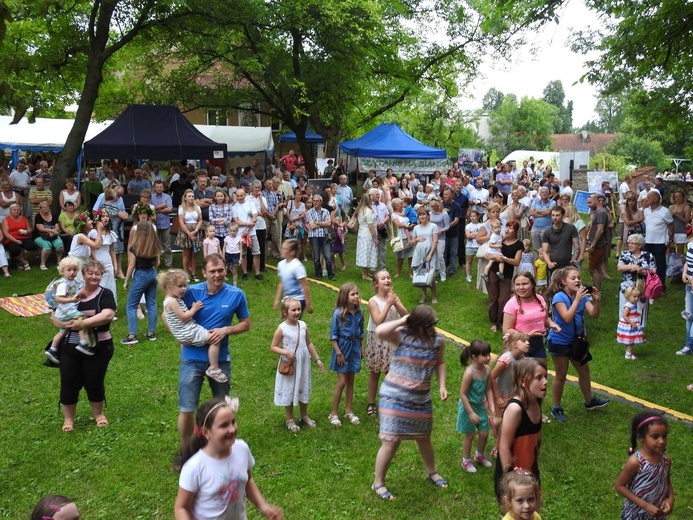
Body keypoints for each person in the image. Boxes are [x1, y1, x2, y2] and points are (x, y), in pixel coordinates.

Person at [173, 254, 250, 468]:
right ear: (204, 272)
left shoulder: (236, 294)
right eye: (212, 271)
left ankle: (223, 447)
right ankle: (187, 452)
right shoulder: (190, 293)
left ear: (225, 270)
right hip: (191, 358)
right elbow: (168, 311)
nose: (217, 275)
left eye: (221, 270)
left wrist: (227, 329)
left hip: (220, 360)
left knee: (223, 406)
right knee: (187, 408)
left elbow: (246, 324)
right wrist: (178, 336)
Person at [372, 306, 449, 500]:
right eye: (429, 324)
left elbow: (440, 363)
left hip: (420, 398)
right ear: (417, 325)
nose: (433, 327)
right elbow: (380, 331)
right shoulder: (401, 335)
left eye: (435, 323)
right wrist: (402, 320)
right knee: (391, 441)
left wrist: (442, 385)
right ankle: (378, 482)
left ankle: (432, 472)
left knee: (424, 437)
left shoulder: (438, 341)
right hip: (394, 397)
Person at [174, 397, 284, 520]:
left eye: (233, 422)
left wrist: (264, 507)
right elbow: (181, 508)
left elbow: (248, 481)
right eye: (224, 425)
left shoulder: (241, 448)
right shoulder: (195, 467)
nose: (232, 429)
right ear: (206, 432)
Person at [51, 260, 116, 432]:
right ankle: (69, 419)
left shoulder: (105, 294)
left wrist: (83, 324)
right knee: (69, 382)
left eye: (98, 273)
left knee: (94, 380)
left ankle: (99, 415)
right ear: (83, 274)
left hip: (99, 347)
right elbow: (55, 312)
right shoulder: (72, 291)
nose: (94, 276)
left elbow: (107, 315)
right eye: (90, 273)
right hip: (70, 346)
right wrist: (60, 322)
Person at [545, 267, 609, 422]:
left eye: (579, 278)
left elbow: (594, 314)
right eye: (573, 278)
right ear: (564, 281)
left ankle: (589, 401)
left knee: (584, 371)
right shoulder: (559, 297)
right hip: (559, 341)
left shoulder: (582, 297)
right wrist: (578, 300)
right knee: (561, 375)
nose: (577, 280)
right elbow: (566, 317)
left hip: (576, 341)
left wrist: (596, 301)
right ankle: (556, 407)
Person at [494, 358, 547, 503]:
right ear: (523, 382)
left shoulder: (536, 402)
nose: (545, 382)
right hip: (514, 479)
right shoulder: (515, 408)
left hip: (530, 474)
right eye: (539, 378)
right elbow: (504, 446)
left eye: (545, 376)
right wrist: (510, 480)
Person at [161, 269, 228, 383]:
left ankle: (187, 357)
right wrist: (194, 309)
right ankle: (214, 368)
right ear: (169, 287)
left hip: (183, 333)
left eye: (185, 285)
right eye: (180, 286)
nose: (184, 289)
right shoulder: (172, 302)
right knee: (215, 338)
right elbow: (184, 317)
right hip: (188, 331)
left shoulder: (169, 300)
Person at [271, 297, 324, 432]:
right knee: (289, 389)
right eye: (293, 310)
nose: (297, 312)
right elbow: (273, 346)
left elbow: (309, 343)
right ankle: (290, 419)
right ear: (285, 312)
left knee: (303, 387)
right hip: (290, 364)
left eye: (299, 309)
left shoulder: (303, 325)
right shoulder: (282, 328)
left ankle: (304, 415)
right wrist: (286, 352)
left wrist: (317, 359)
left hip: (303, 363)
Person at [615, 412, 673, 519]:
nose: (661, 441)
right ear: (641, 437)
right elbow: (619, 486)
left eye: (664, 436)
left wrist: (670, 499)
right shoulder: (636, 462)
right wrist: (645, 505)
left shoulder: (666, 460)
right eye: (655, 437)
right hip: (635, 515)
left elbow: (667, 481)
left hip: (657, 514)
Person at [366, 270, 407, 417]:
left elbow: (404, 314)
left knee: (393, 373)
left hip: (393, 339)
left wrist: (395, 302)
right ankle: (371, 403)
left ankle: (394, 402)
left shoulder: (393, 298)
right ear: (376, 284)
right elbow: (378, 320)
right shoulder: (373, 301)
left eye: (388, 277)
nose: (387, 280)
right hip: (378, 341)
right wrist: (388, 304)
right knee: (375, 372)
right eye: (383, 278)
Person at [328, 283, 364, 426]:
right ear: (345, 297)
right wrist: (338, 353)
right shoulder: (338, 314)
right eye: (353, 294)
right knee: (342, 381)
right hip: (342, 348)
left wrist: (362, 347)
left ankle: (349, 411)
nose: (356, 297)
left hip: (355, 348)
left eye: (357, 294)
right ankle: (334, 413)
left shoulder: (360, 312)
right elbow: (333, 335)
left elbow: (361, 332)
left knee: (351, 380)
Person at [457, 339, 495, 473]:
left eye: (489, 354)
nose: (489, 357)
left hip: (480, 406)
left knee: (484, 433)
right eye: (485, 355)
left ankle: (479, 455)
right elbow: (462, 394)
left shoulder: (487, 369)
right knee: (470, 434)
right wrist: (471, 413)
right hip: (468, 407)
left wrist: (492, 406)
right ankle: (466, 461)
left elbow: (488, 389)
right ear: (474, 357)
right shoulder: (469, 373)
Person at [45, 257, 92, 363]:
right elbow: (58, 298)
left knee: (63, 331)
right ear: (62, 271)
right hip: (65, 310)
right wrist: (71, 299)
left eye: (75, 270)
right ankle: (83, 343)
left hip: (63, 312)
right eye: (69, 270)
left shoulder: (72, 282)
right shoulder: (63, 284)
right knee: (81, 319)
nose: (72, 272)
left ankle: (52, 350)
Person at [503, 271, 559, 360]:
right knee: (523, 373)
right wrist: (527, 335)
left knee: (540, 372)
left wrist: (552, 324)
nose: (521, 287)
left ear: (532, 284)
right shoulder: (511, 304)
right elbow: (506, 330)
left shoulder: (540, 299)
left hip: (538, 343)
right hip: (518, 345)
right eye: (517, 284)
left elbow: (545, 318)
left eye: (525, 284)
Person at [122, 221, 161, 345]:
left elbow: (132, 264)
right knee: (152, 304)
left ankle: (132, 335)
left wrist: (126, 280)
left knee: (131, 305)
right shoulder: (154, 245)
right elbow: (157, 263)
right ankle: (151, 333)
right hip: (152, 273)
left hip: (140, 274)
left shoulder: (136, 246)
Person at [486, 220, 523, 333]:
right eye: (506, 227)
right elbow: (487, 254)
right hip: (493, 271)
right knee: (493, 298)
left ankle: (502, 321)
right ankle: (493, 322)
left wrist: (505, 259)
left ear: (516, 231)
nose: (507, 230)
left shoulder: (518, 244)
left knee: (503, 299)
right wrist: (495, 257)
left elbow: (516, 262)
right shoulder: (499, 238)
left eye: (511, 228)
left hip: (506, 274)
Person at [617, 233, 655, 330]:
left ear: (640, 245)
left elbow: (653, 271)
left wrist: (641, 271)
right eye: (629, 243)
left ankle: (639, 331)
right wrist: (632, 266)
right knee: (625, 308)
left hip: (642, 288)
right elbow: (620, 267)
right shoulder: (625, 254)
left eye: (633, 243)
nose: (629, 245)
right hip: (626, 288)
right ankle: (624, 330)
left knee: (641, 309)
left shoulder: (648, 255)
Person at [643, 190, 673, 291]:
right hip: (647, 242)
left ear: (655, 199)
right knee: (646, 264)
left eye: (648, 198)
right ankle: (648, 284)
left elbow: (671, 225)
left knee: (660, 265)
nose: (646, 200)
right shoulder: (646, 211)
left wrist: (670, 240)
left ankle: (661, 287)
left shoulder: (665, 211)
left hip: (660, 242)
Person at [273, 238, 312, 315]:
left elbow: (305, 286)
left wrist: (308, 305)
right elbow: (281, 283)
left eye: (285, 249)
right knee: (289, 323)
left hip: (298, 298)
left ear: (292, 252)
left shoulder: (297, 266)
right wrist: (277, 300)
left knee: (291, 321)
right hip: (288, 298)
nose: (281, 250)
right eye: (282, 248)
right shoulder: (281, 264)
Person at [410, 206, 439, 304]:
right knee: (420, 275)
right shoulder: (416, 228)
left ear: (428, 216)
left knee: (431, 276)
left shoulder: (433, 226)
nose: (421, 217)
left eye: (423, 214)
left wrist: (430, 254)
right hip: (419, 254)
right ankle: (424, 296)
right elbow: (412, 243)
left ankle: (434, 296)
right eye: (420, 215)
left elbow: (435, 241)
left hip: (430, 253)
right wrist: (417, 239)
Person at [541, 206, 579, 278]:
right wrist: (549, 263)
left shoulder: (571, 228)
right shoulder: (547, 232)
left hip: (567, 264)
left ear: (563, 215)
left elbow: (576, 246)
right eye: (553, 215)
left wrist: (574, 259)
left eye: (557, 215)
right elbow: (544, 251)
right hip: (554, 264)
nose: (555, 218)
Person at [305, 194, 335, 281]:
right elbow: (312, 226)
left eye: (316, 201)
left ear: (321, 202)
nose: (314, 202)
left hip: (324, 236)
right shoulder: (309, 212)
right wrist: (323, 224)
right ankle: (318, 274)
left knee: (328, 257)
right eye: (313, 201)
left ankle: (331, 275)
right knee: (316, 257)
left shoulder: (325, 211)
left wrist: (317, 223)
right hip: (314, 236)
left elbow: (329, 223)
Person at [176, 189, 204, 282]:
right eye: (189, 196)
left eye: (192, 196)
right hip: (186, 231)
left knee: (195, 254)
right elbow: (181, 222)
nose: (191, 198)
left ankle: (194, 274)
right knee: (186, 254)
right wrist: (189, 233)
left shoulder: (197, 207)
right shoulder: (181, 208)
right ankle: (186, 274)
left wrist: (195, 231)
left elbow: (200, 220)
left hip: (196, 231)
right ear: (185, 198)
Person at [89, 210, 117, 297]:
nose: (105, 218)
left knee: (109, 282)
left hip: (107, 259)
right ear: (99, 219)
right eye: (103, 216)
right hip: (97, 258)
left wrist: (115, 265)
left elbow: (112, 251)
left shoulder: (111, 234)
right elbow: (91, 250)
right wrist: (97, 263)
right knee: (99, 282)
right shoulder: (94, 233)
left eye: (107, 216)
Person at [1, 202, 36, 270]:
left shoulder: (23, 218)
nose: (16, 211)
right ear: (10, 211)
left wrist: (26, 231)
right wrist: (15, 240)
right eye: (14, 210)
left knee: (32, 246)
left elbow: (30, 229)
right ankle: (24, 262)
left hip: (23, 237)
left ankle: (19, 261)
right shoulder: (6, 220)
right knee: (15, 250)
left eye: (18, 210)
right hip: (11, 239)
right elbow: (5, 233)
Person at [33, 200, 64, 270]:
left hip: (53, 234)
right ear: (40, 209)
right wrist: (52, 230)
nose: (45, 208)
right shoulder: (38, 217)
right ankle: (42, 264)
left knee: (60, 245)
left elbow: (57, 226)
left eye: (46, 206)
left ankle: (59, 261)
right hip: (39, 235)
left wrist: (53, 232)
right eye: (43, 207)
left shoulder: (54, 216)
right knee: (47, 246)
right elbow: (41, 228)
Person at [617, 286, 645, 360]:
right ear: (628, 296)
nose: (636, 298)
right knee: (631, 340)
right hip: (629, 325)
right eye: (634, 296)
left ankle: (628, 352)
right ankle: (628, 354)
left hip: (632, 323)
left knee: (630, 340)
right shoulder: (628, 306)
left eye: (637, 297)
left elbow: (632, 313)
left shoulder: (632, 305)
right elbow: (625, 316)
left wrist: (637, 313)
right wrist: (632, 323)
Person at [355, 193, 378, 280]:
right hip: (367, 235)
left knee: (365, 253)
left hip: (361, 233)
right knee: (368, 253)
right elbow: (370, 226)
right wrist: (375, 238)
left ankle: (365, 272)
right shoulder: (368, 211)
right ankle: (365, 274)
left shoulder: (360, 209)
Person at [151, 179, 173, 268]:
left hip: (165, 224)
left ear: (163, 187)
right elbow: (149, 209)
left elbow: (170, 209)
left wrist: (156, 210)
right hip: (154, 224)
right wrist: (161, 206)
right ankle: (155, 263)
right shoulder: (151, 197)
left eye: (161, 187)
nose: (159, 189)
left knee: (167, 245)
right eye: (157, 187)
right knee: (155, 244)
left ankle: (168, 263)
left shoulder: (167, 197)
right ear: (154, 188)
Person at [429, 199, 450, 282]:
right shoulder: (430, 214)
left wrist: (441, 230)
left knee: (440, 256)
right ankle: (433, 274)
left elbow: (447, 226)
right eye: (433, 206)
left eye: (436, 206)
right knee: (432, 256)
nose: (435, 208)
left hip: (440, 237)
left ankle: (443, 274)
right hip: (431, 237)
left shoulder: (444, 214)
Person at [669, 190, 690, 255]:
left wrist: (677, 215)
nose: (678, 198)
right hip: (671, 232)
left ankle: (681, 264)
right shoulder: (671, 207)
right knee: (670, 250)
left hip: (681, 231)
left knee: (680, 252)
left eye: (679, 196)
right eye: (676, 197)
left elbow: (686, 221)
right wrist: (672, 214)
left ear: (683, 197)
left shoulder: (686, 207)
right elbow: (667, 219)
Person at [464, 210, 481, 282]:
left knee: (478, 262)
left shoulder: (481, 225)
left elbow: (481, 235)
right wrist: (476, 234)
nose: (472, 218)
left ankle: (479, 275)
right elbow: (468, 235)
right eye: (471, 216)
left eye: (474, 216)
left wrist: (472, 234)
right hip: (470, 246)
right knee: (469, 261)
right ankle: (468, 275)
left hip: (478, 246)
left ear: (478, 217)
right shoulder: (468, 226)